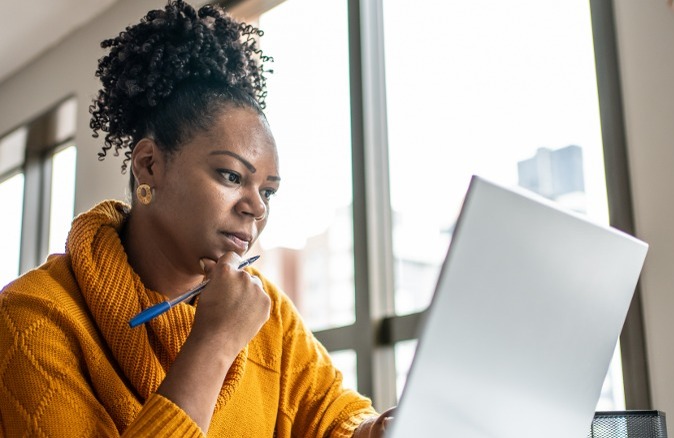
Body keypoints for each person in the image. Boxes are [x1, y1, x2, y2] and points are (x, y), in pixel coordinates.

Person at [0, 1, 393, 436]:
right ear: (149, 165)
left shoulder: (268, 312)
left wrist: (374, 430)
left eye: (267, 191)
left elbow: (332, 414)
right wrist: (215, 342)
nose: (257, 207)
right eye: (231, 175)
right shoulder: (33, 315)